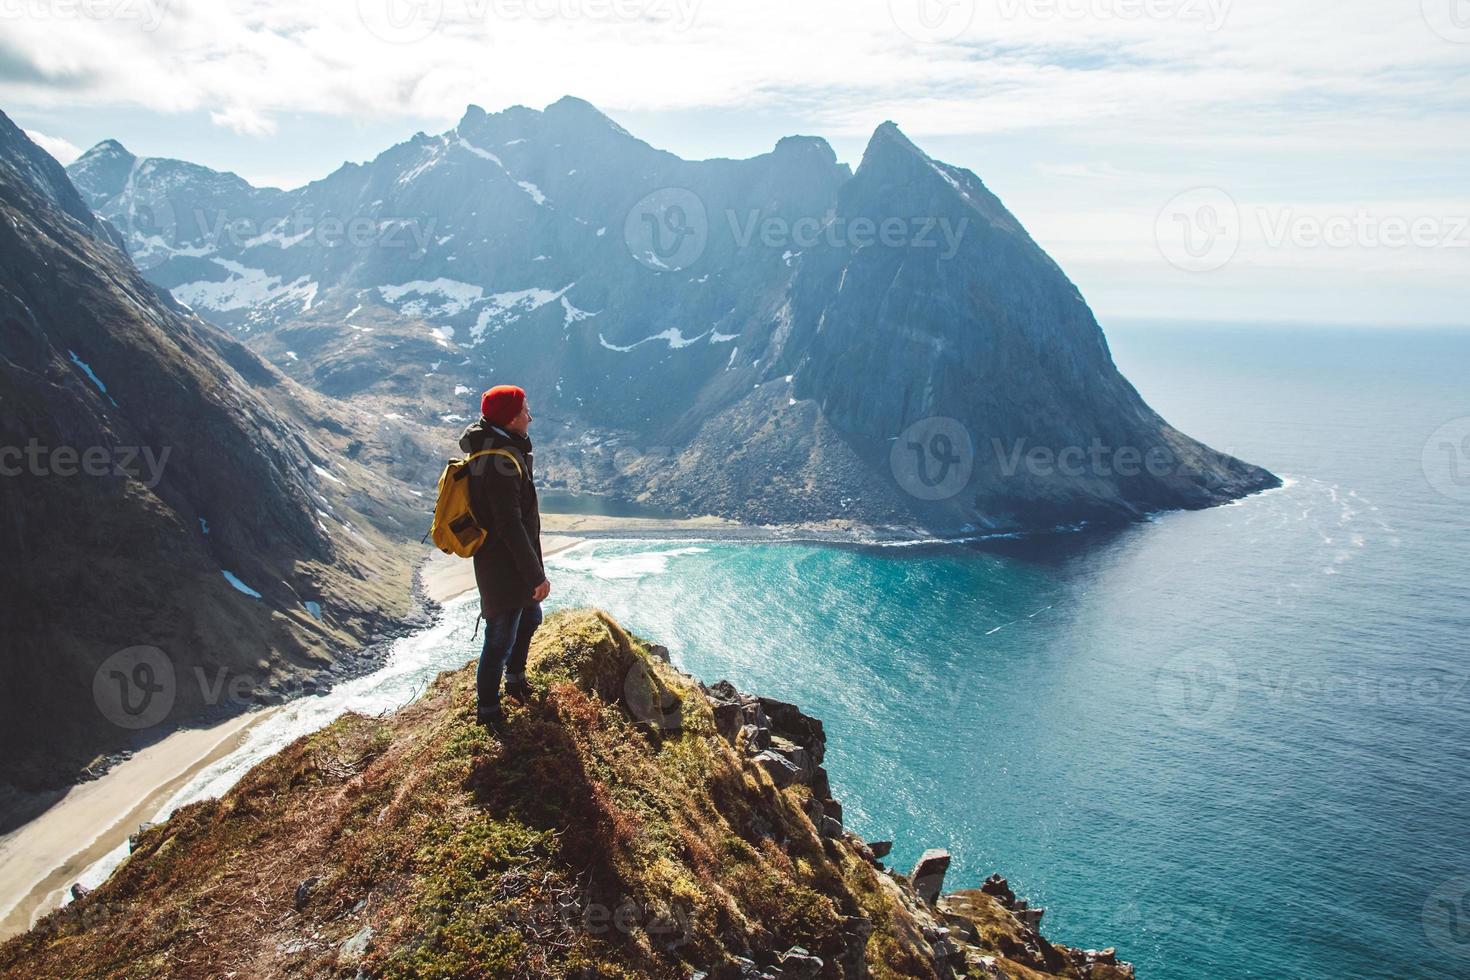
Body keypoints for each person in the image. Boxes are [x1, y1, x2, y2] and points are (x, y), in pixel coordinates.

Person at [460, 384, 550, 729]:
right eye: (526, 410)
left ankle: (514, 680)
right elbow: (510, 526)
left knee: (529, 620)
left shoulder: (502, 450)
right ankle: (489, 711)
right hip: (503, 567)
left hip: (511, 562)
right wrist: (535, 576)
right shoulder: (499, 463)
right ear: (511, 420)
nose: (530, 415)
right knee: (499, 637)